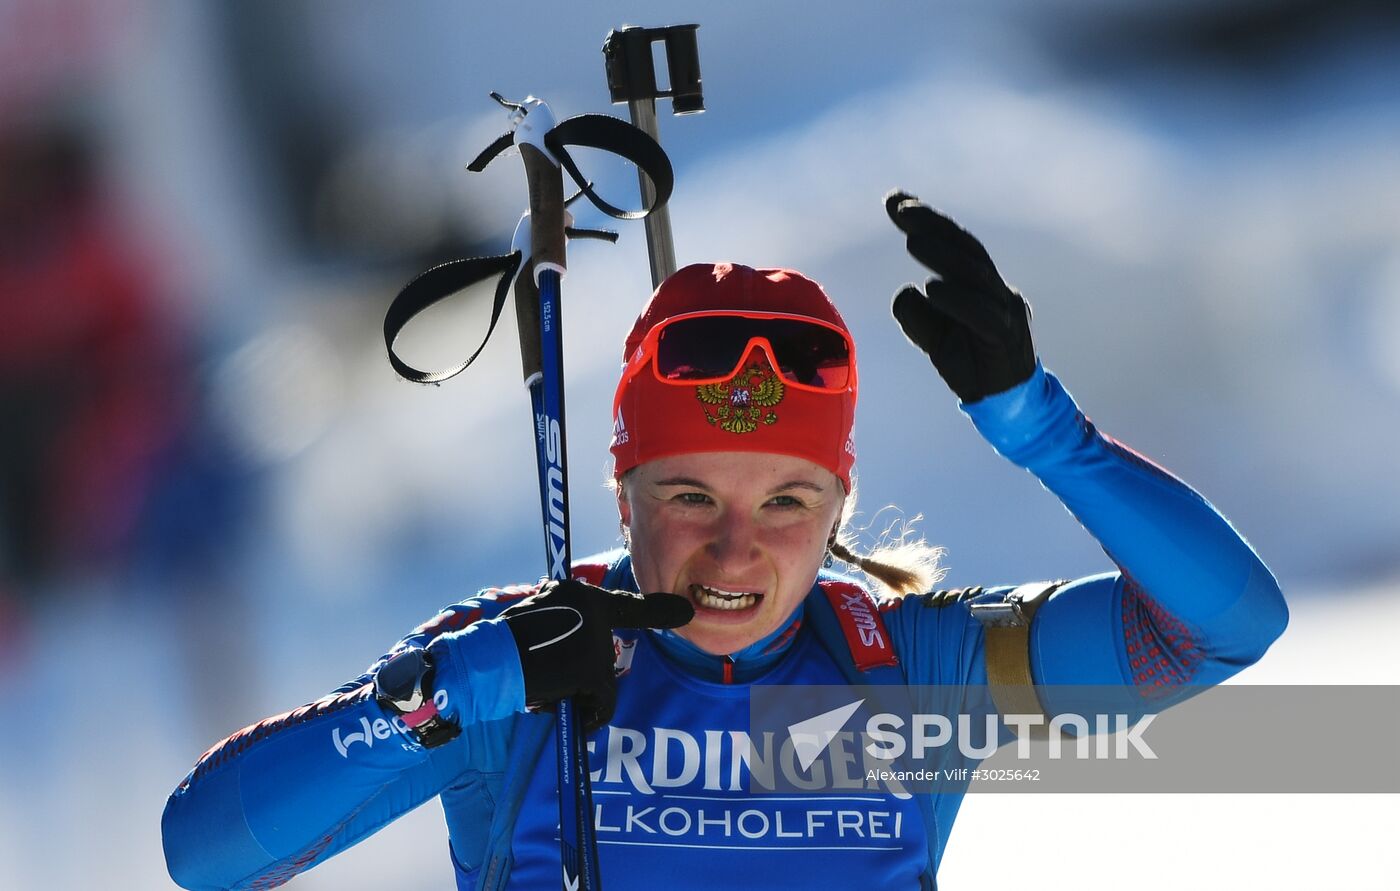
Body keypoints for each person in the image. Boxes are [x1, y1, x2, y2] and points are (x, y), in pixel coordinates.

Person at [162, 192, 1288, 890]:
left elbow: (1222, 627)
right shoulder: (516, 667)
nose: (735, 551)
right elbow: (207, 855)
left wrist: (1042, 429)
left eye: (786, 504)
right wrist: (450, 694)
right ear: (623, 494)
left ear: (839, 508)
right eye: (690, 496)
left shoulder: (910, 674)